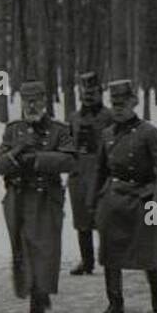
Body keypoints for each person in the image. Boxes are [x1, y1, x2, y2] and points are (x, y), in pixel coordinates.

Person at [0, 80, 77, 313]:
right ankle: (37, 294)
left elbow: (71, 161)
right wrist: (15, 154)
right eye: (26, 100)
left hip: (45, 199)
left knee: (43, 252)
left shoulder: (59, 130)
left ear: (45, 100)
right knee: (22, 251)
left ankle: (36, 312)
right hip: (17, 198)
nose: (31, 105)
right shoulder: (13, 130)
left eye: (36, 100)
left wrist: (37, 160)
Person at [92, 78, 157, 313]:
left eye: (123, 102)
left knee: (148, 248)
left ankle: (156, 291)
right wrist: (93, 201)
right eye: (114, 103)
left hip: (145, 199)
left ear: (133, 103)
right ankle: (115, 304)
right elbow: (101, 170)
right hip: (114, 198)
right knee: (109, 252)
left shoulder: (149, 132)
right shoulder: (107, 135)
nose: (118, 107)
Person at [65, 71, 113, 275]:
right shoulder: (74, 118)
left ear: (100, 93)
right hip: (79, 174)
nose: (89, 96)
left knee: (104, 217)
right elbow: (67, 144)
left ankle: (109, 258)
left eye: (93, 92)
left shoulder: (109, 116)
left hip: (101, 172)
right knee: (81, 220)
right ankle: (87, 261)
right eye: (85, 92)